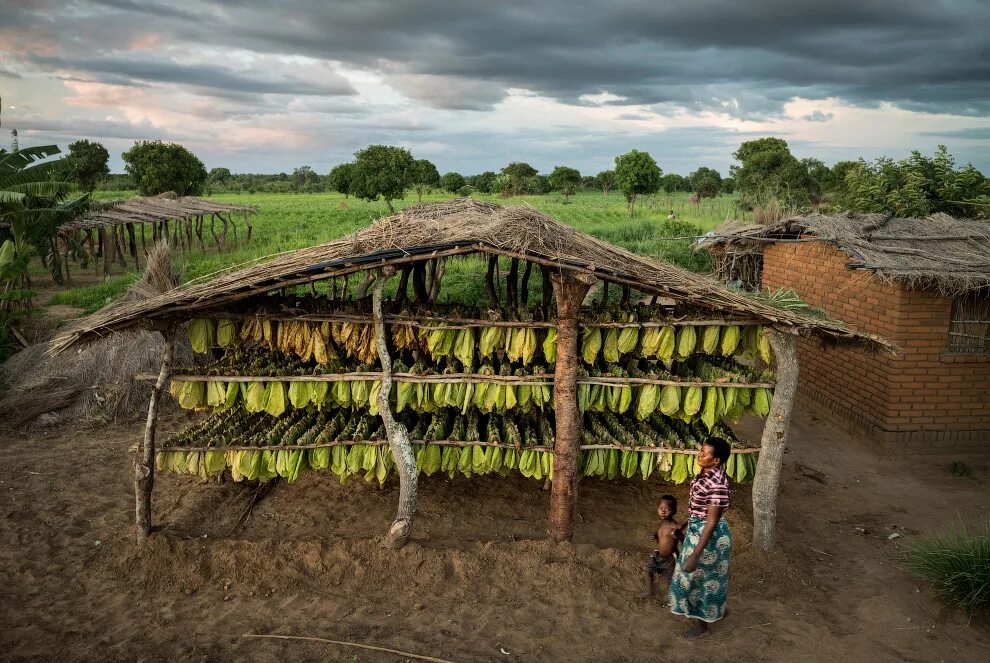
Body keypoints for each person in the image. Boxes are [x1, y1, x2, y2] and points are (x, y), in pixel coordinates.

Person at [668, 437, 732, 640]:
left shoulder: (718, 485)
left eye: (705, 453)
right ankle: (716, 611)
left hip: (709, 539)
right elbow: (699, 510)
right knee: (707, 579)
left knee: (699, 581)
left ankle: (702, 626)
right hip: (699, 531)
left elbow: (711, 521)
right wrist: (683, 524)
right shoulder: (707, 474)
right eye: (701, 451)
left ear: (716, 461)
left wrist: (696, 554)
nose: (700, 455)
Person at [640, 495, 681, 598]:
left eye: (667, 509)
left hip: (669, 559)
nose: (663, 511)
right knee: (648, 570)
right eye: (661, 508)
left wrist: (678, 536)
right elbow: (660, 537)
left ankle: (672, 599)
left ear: (674, 511)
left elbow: (683, 540)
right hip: (657, 555)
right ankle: (650, 591)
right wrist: (655, 536)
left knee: (670, 580)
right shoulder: (660, 523)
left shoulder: (674, 527)